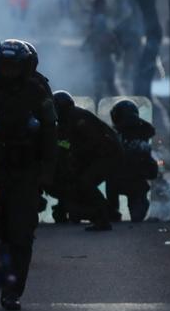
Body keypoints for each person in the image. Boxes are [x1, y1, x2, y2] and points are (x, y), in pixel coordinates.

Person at [0, 39, 57, 311]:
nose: (9, 72)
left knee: (21, 234)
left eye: (14, 67)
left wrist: (47, 171)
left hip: (25, 173)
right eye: (4, 66)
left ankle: (13, 290)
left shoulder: (38, 93)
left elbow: (50, 133)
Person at [47, 92, 120, 230]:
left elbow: (91, 144)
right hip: (98, 155)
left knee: (85, 182)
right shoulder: (65, 120)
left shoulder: (79, 119)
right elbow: (64, 143)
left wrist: (72, 156)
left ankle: (104, 218)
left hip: (107, 155)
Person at [107, 100, 157, 222]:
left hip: (134, 181)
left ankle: (113, 211)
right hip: (121, 180)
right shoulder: (116, 135)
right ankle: (112, 211)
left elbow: (151, 170)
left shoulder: (140, 133)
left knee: (137, 213)